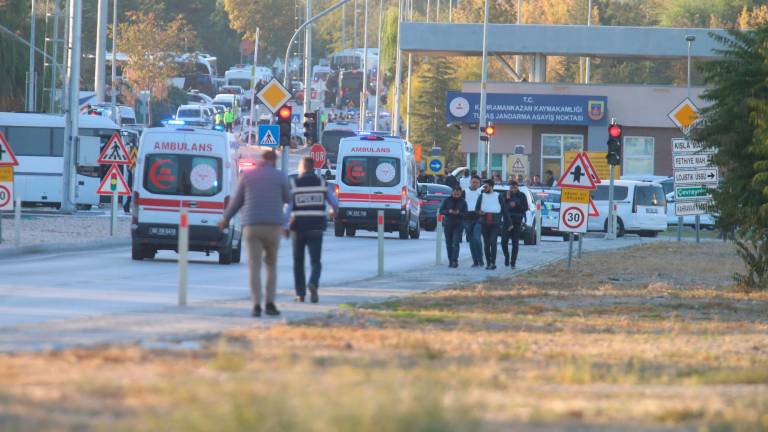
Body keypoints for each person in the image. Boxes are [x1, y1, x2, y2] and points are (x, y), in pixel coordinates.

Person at [219, 150, 290, 317]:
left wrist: (225, 219)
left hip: (252, 225)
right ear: (274, 161)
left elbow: (237, 202)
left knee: (254, 265)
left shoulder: (248, 176)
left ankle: (256, 305)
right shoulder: (280, 176)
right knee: (271, 265)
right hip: (273, 226)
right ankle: (270, 303)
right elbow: (288, 199)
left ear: (261, 161)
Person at [286, 157, 338, 303]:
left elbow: (288, 208)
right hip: (316, 227)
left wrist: (284, 226)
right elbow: (334, 202)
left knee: (298, 261)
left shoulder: (295, 184)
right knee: (316, 261)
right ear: (313, 167)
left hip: (298, 228)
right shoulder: (321, 183)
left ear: (303, 167)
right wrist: (334, 211)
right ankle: (313, 283)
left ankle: (300, 294)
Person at [475, 179, 508, 270]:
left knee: (493, 242)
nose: (484, 188)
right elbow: (476, 209)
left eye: (486, 187)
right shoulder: (481, 196)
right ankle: (488, 262)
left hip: (495, 222)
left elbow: (504, 210)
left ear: (491, 187)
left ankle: (493, 262)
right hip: (484, 222)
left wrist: (508, 223)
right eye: (484, 187)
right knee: (486, 243)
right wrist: (479, 212)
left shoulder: (498, 196)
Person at [501, 181, 529, 268]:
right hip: (507, 221)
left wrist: (516, 205)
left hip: (517, 221)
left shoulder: (522, 195)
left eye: (515, 187)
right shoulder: (506, 194)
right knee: (504, 241)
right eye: (511, 187)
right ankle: (507, 256)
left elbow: (525, 208)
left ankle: (513, 262)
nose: (513, 189)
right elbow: (502, 207)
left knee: (515, 242)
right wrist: (507, 199)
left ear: (517, 187)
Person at [439, 186, 467, 268]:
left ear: (460, 193)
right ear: (452, 192)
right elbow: (441, 211)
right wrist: (448, 211)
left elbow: (466, 214)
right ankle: (450, 261)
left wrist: (459, 213)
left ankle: (455, 260)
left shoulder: (463, 202)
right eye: (455, 192)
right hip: (448, 225)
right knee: (448, 244)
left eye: (458, 192)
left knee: (455, 243)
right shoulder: (447, 200)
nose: (456, 194)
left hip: (458, 225)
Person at [462, 175, 485, 267]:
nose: (475, 184)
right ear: (470, 182)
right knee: (471, 241)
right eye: (473, 182)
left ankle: (480, 259)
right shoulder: (465, 192)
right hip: (467, 218)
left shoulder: (482, 193)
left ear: (479, 184)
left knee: (477, 238)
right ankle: (475, 261)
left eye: (477, 182)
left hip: (478, 218)